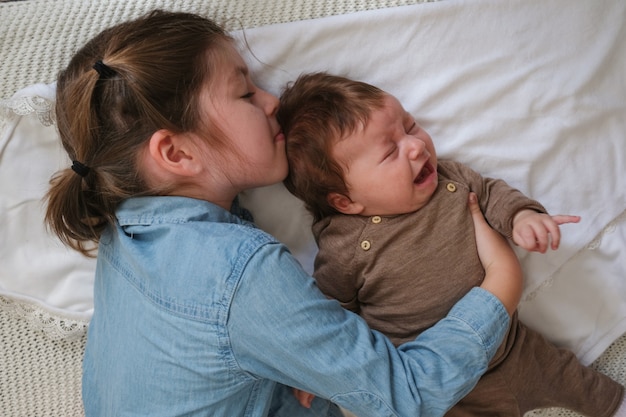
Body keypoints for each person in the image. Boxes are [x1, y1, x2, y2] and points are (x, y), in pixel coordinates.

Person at [44, 10, 522, 417]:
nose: (272, 100)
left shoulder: (124, 238)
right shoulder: (240, 273)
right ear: (176, 153)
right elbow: (407, 395)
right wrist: (501, 284)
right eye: (245, 94)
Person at [278, 72, 626, 417]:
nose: (416, 146)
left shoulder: (450, 180)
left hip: (512, 346)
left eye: (410, 126)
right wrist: (317, 369)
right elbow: (332, 315)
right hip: (443, 385)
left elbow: (490, 193)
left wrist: (522, 217)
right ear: (346, 202)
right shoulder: (346, 248)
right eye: (389, 152)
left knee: (577, 382)